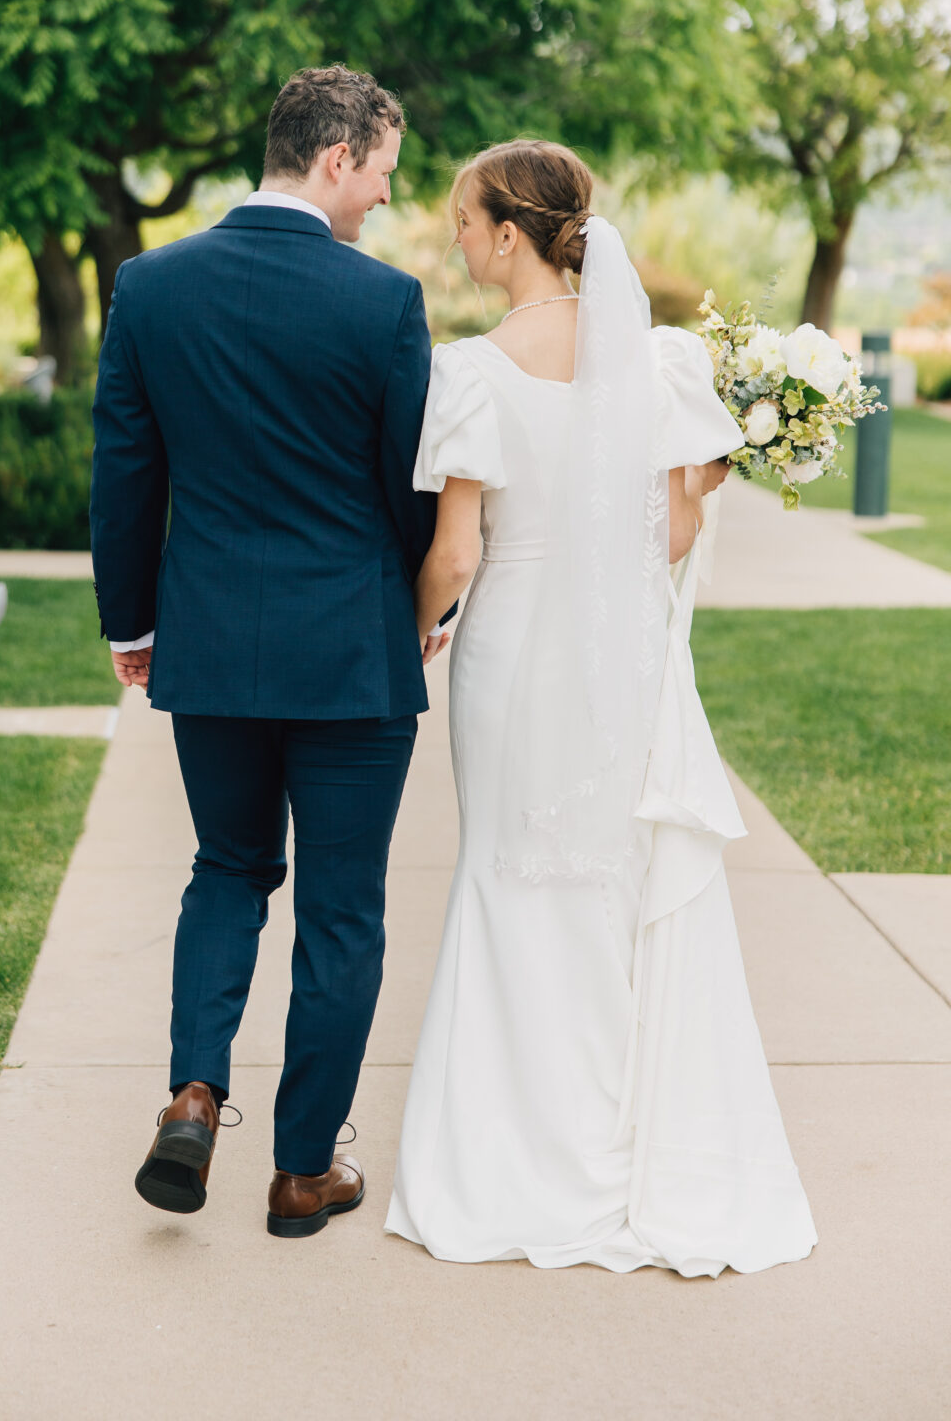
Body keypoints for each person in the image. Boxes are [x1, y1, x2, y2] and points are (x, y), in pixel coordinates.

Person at [386, 140, 818, 1276]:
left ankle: (520, 1156)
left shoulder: (471, 369)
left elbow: (459, 553)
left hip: (514, 651)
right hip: (620, 659)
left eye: (465, 223)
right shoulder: (662, 361)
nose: (458, 240)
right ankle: (631, 1147)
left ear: (512, 236)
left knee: (509, 874)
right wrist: (709, 482)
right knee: (613, 879)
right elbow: (668, 541)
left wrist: (415, 627)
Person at [90, 65, 448, 1237]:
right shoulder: (384, 304)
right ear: (337, 156)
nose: (386, 201)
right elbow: (410, 490)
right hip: (352, 655)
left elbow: (127, 477)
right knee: (344, 910)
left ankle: (195, 1093)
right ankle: (303, 1173)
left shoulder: (151, 286)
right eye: (384, 173)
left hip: (214, 650)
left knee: (228, 869)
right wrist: (413, 611)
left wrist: (132, 624)